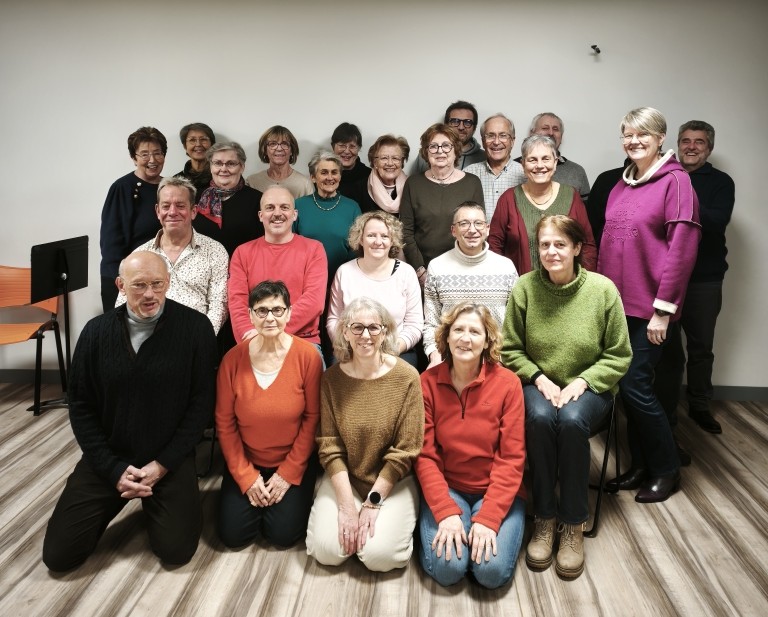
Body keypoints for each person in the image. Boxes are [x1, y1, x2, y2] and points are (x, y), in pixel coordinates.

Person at [42, 252, 217, 571]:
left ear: (168, 283)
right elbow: (81, 407)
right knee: (59, 557)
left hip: (168, 460)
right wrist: (112, 469)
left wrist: (162, 465)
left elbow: (201, 405)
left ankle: (153, 503)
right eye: (139, 285)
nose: (150, 294)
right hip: (110, 458)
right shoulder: (95, 333)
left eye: (157, 284)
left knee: (176, 551)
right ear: (121, 285)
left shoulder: (196, 328)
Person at [502, 215, 632, 579]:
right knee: (541, 418)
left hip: (590, 387)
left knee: (572, 421)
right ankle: (545, 517)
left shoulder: (603, 290)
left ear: (576, 248)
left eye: (560, 244)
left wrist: (584, 381)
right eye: (545, 244)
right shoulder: (525, 288)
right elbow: (509, 349)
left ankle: (573, 522)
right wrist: (538, 377)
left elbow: (619, 355)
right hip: (538, 383)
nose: (551, 252)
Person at [598, 107, 701, 503]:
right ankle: (640, 465)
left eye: (643, 134)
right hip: (619, 308)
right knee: (626, 391)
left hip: (651, 309)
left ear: (660, 138)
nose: (634, 141)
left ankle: (666, 468)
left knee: (636, 385)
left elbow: (682, 250)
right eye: (628, 134)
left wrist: (663, 310)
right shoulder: (621, 185)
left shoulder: (676, 182)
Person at [306, 298, 424, 572]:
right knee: (327, 551)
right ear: (345, 332)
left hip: (393, 481)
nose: (366, 335)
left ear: (385, 331)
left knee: (379, 557)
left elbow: (406, 450)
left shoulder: (407, 377)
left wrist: (372, 503)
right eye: (357, 327)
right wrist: (347, 505)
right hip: (346, 478)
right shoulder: (331, 379)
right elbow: (329, 446)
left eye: (374, 327)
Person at [416, 302, 526, 589]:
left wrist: (489, 518)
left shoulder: (508, 384)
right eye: (458, 330)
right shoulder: (426, 383)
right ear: (446, 336)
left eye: (475, 332)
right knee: (448, 569)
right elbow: (425, 456)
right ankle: (450, 537)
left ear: (487, 341)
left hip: (495, 489)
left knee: (490, 572)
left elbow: (512, 458)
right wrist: (445, 511)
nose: (465, 338)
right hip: (449, 487)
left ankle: (480, 534)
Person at [215, 280, 323, 549]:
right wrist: (246, 476)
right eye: (261, 311)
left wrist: (288, 473)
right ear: (250, 315)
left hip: (292, 461)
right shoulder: (232, 360)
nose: (270, 318)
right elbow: (225, 423)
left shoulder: (308, 357)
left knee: (282, 535)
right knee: (234, 536)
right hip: (247, 460)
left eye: (277, 310)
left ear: (289, 313)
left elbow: (313, 418)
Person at [654, 120, 736, 435]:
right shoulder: (665, 175)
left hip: (704, 279)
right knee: (662, 347)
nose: (691, 147)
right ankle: (662, 406)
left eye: (698, 142)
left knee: (701, 347)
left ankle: (700, 405)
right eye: (686, 140)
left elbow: (716, 221)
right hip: (666, 278)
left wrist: (682, 203)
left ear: (709, 148)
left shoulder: (721, 182)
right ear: (677, 144)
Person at [115, 176, 229, 335]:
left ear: (194, 211)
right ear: (158, 211)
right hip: (148, 339)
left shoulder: (215, 251)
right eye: (166, 206)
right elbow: (123, 304)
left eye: (180, 206)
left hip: (196, 338)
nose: (172, 212)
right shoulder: (140, 255)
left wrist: (201, 339)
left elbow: (219, 306)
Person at [228, 186, 327, 351]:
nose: (277, 213)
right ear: (260, 216)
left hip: (302, 341)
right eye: (270, 208)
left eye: (284, 207)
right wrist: (253, 336)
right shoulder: (242, 253)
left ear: (294, 214)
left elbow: (313, 302)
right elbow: (237, 302)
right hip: (254, 340)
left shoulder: (314, 249)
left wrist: (269, 333)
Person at [423, 202, 518, 369]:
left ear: (487, 229)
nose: (472, 230)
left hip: (497, 360)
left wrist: (501, 361)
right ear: (453, 230)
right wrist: (435, 356)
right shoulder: (437, 267)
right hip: (451, 360)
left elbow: (515, 324)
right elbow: (432, 324)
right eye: (464, 223)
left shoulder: (506, 267)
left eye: (478, 223)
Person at [489, 134, 597, 275]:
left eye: (546, 159)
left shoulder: (571, 196)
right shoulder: (508, 199)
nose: (539, 166)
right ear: (523, 164)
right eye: (532, 160)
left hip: (566, 286)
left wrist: (583, 281)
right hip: (520, 285)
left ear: (555, 162)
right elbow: (494, 247)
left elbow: (587, 246)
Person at [327, 211, 423, 367]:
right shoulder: (344, 272)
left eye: (385, 236)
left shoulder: (406, 273)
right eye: (371, 235)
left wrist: (392, 350)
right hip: (351, 350)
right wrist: (352, 347)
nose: (378, 242)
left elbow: (414, 324)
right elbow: (334, 319)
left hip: (396, 352)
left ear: (392, 240)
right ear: (361, 239)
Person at [400, 123, 484, 285]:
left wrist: (467, 267)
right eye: (433, 146)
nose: (440, 151)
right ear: (426, 151)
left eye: (446, 145)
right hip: (424, 269)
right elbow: (405, 231)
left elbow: (477, 229)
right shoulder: (413, 183)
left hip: (463, 268)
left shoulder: (472, 183)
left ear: (456, 149)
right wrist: (420, 270)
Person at [99, 126, 166, 312]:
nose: (152, 160)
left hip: (161, 278)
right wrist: (123, 283)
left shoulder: (169, 187)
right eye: (144, 154)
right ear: (134, 158)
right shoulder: (122, 188)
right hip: (128, 279)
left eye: (157, 153)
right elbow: (111, 244)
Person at [295, 151, 362, 282]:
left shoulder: (352, 207)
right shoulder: (299, 205)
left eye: (334, 172)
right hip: (305, 279)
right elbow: (291, 245)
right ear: (313, 177)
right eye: (324, 172)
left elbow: (357, 248)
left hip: (343, 279)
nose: (330, 177)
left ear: (340, 176)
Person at [192, 141, 265, 257]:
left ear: (242, 167)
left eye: (231, 163)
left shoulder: (259, 200)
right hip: (201, 265)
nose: (224, 169)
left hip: (244, 265)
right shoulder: (195, 198)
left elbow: (264, 243)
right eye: (217, 163)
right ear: (210, 167)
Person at [464, 114, 525, 220]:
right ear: (483, 141)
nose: (496, 142)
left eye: (503, 135)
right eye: (490, 136)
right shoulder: (469, 173)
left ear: (512, 141)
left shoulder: (525, 174)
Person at [520, 112, 590, 202]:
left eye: (555, 129)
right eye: (545, 128)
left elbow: (585, 207)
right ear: (532, 133)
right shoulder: (515, 167)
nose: (551, 133)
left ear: (561, 136)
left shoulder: (577, 171)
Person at [413, 100, 486, 173]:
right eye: (455, 121)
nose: (461, 127)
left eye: (467, 122)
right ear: (446, 124)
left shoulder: (484, 158)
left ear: (474, 127)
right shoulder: (427, 154)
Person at [245, 125, 314, 198]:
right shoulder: (252, 182)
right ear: (265, 150)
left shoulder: (305, 185)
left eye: (285, 144)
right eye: (273, 144)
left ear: (292, 150)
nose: (279, 149)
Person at [356, 134, 410, 215]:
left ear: (402, 162)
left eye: (395, 158)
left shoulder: (411, 187)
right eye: (384, 158)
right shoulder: (359, 189)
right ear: (375, 163)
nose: (390, 163)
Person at [331, 122, 371, 208]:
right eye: (342, 145)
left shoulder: (369, 176)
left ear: (359, 148)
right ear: (333, 147)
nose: (347, 151)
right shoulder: (324, 175)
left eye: (352, 146)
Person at [175, 122, 215, 199]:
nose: (198, 144)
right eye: (192, 140)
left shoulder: (221, 177)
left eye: (203, 139)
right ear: (185, 146)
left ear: (212, 144)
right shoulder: (177, 181)